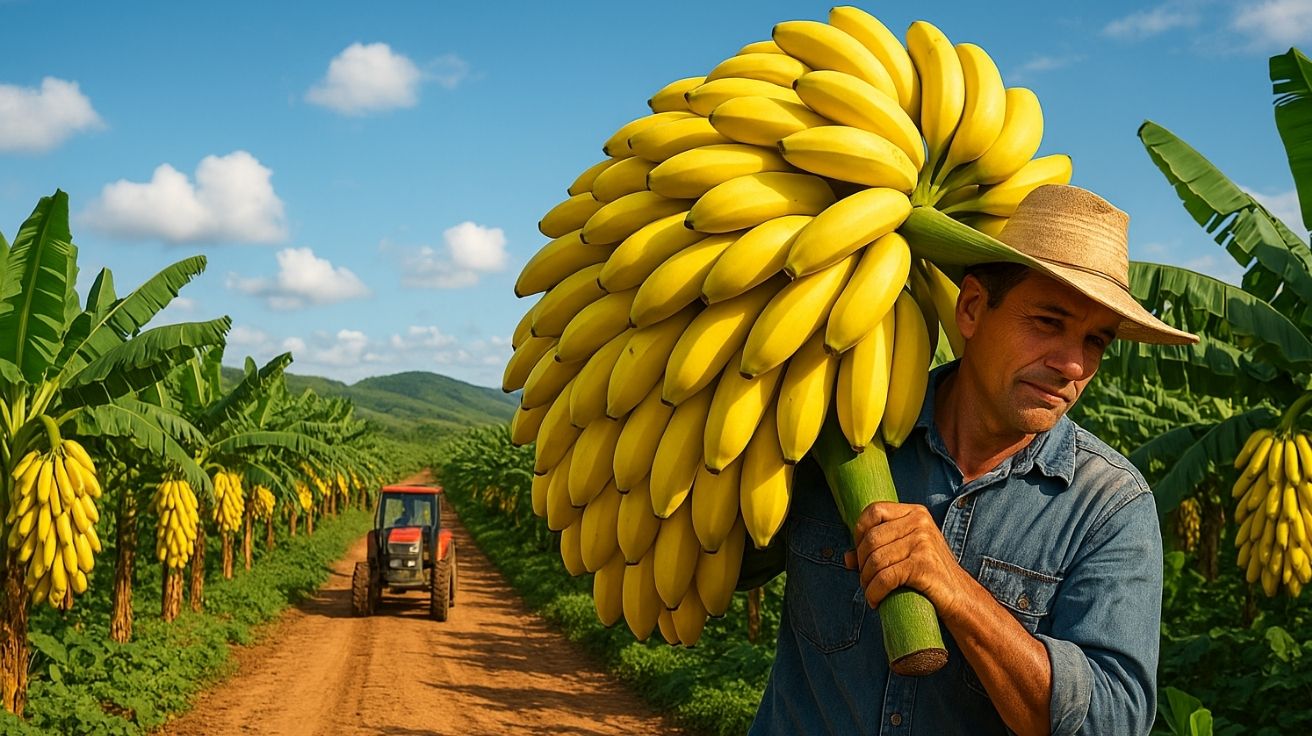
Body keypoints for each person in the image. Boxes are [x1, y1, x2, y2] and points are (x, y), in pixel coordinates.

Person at [747, 184, 1198, 736]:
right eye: (1048, 322)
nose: (1073, 365)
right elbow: (725, 565)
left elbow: (1110, 721)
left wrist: (954, 589)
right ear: (972, 308)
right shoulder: (833, 432)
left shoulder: (1107, 506)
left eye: (1096, 342)